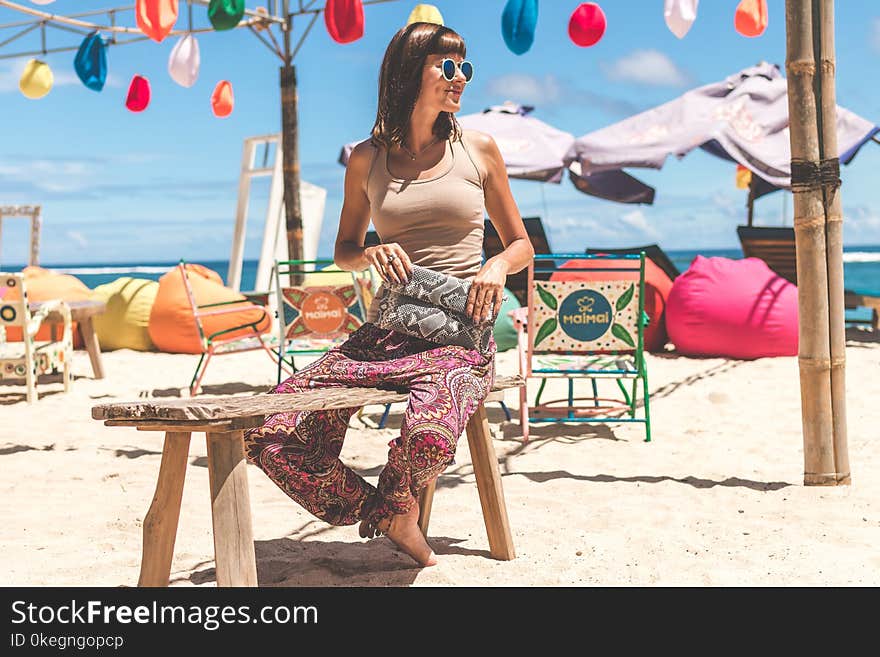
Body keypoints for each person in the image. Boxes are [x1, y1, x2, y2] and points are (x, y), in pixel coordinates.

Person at [244, 22, 533, 567]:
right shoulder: (365, 158)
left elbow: (521, 246)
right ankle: (386, 513)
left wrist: (497, 265)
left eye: (465, 68)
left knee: (427, 439)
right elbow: (345, 249)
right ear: (408, 73)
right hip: (384, 333)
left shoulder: (480, 150)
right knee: (268, 431)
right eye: (447, 67)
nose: (460, 79)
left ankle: (396, 510)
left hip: (459, 336)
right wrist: (371, 253)